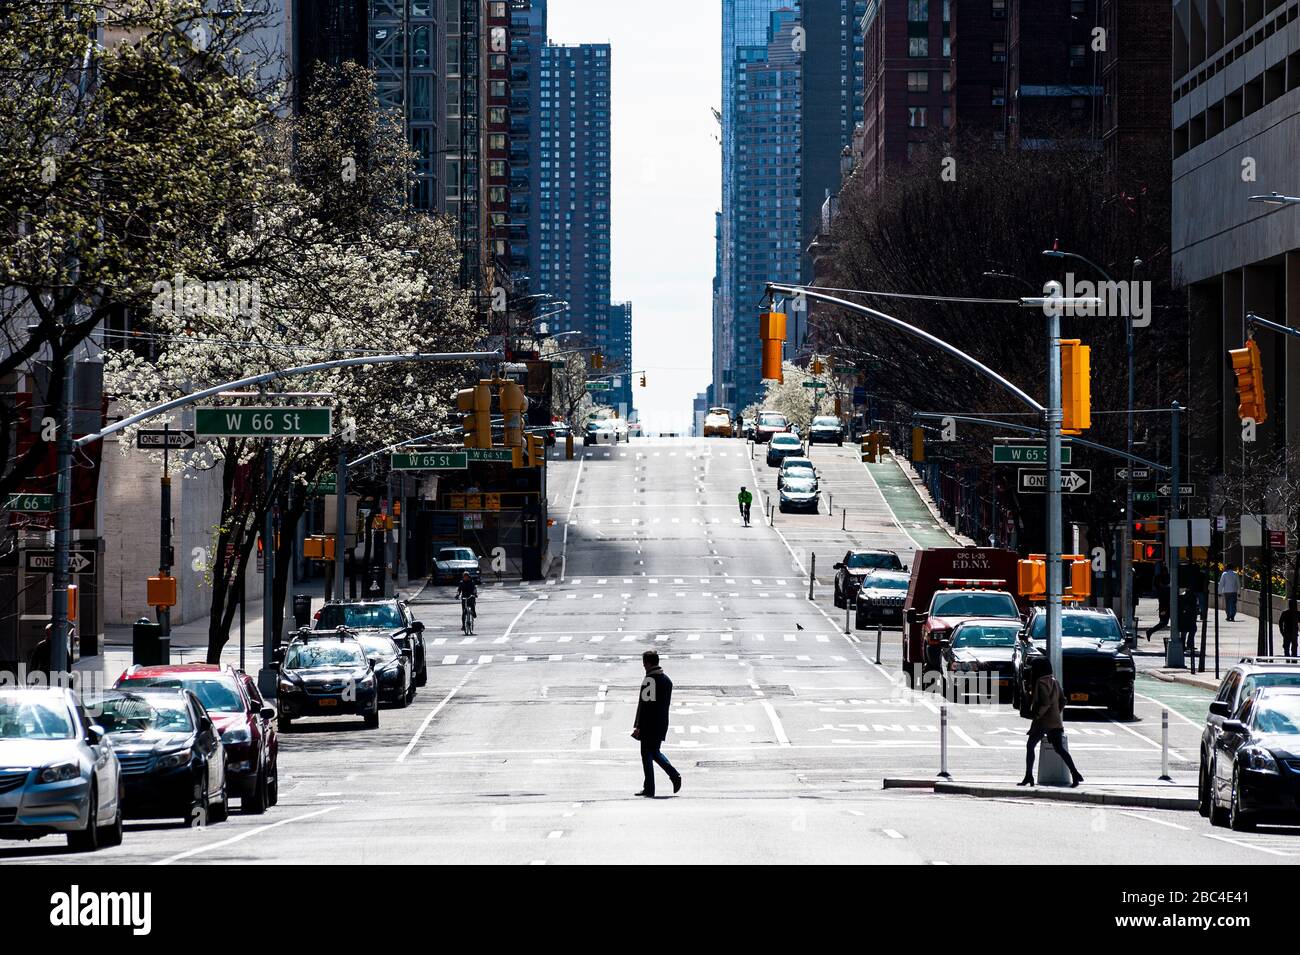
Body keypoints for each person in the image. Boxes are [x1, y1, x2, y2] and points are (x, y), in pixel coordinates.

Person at [1019, 658, 1084, 788]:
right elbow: (1063, 700)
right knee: (1059, 748)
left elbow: (1045, 703)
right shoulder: (1054, 681)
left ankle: (1028, 775)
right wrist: (1057, 712)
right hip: (1055, 721)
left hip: (1043, 721)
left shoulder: (1040, 682)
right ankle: (1075, 773)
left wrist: (1037, 715)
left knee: (1030, 746)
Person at [632, 650, 681, 797]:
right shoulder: (667, 680)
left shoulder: (650, 680)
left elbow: (645, 705)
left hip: (649, 724)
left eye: (644, 663)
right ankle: (656, 783)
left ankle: (658, 783)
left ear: (648, 663)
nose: (643, 666)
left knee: (647, 754)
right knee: (653, 752)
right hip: (662, 722)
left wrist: (639, 726)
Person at [1145, 564, 1171, 641]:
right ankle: (1150, 631)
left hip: (1168, 604)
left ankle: (1150, 631)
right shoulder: (1159, 579)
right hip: (1164, 605)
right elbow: (1157, 587)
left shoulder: (1166, 578)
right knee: (1163, 622)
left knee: (1166, 622)